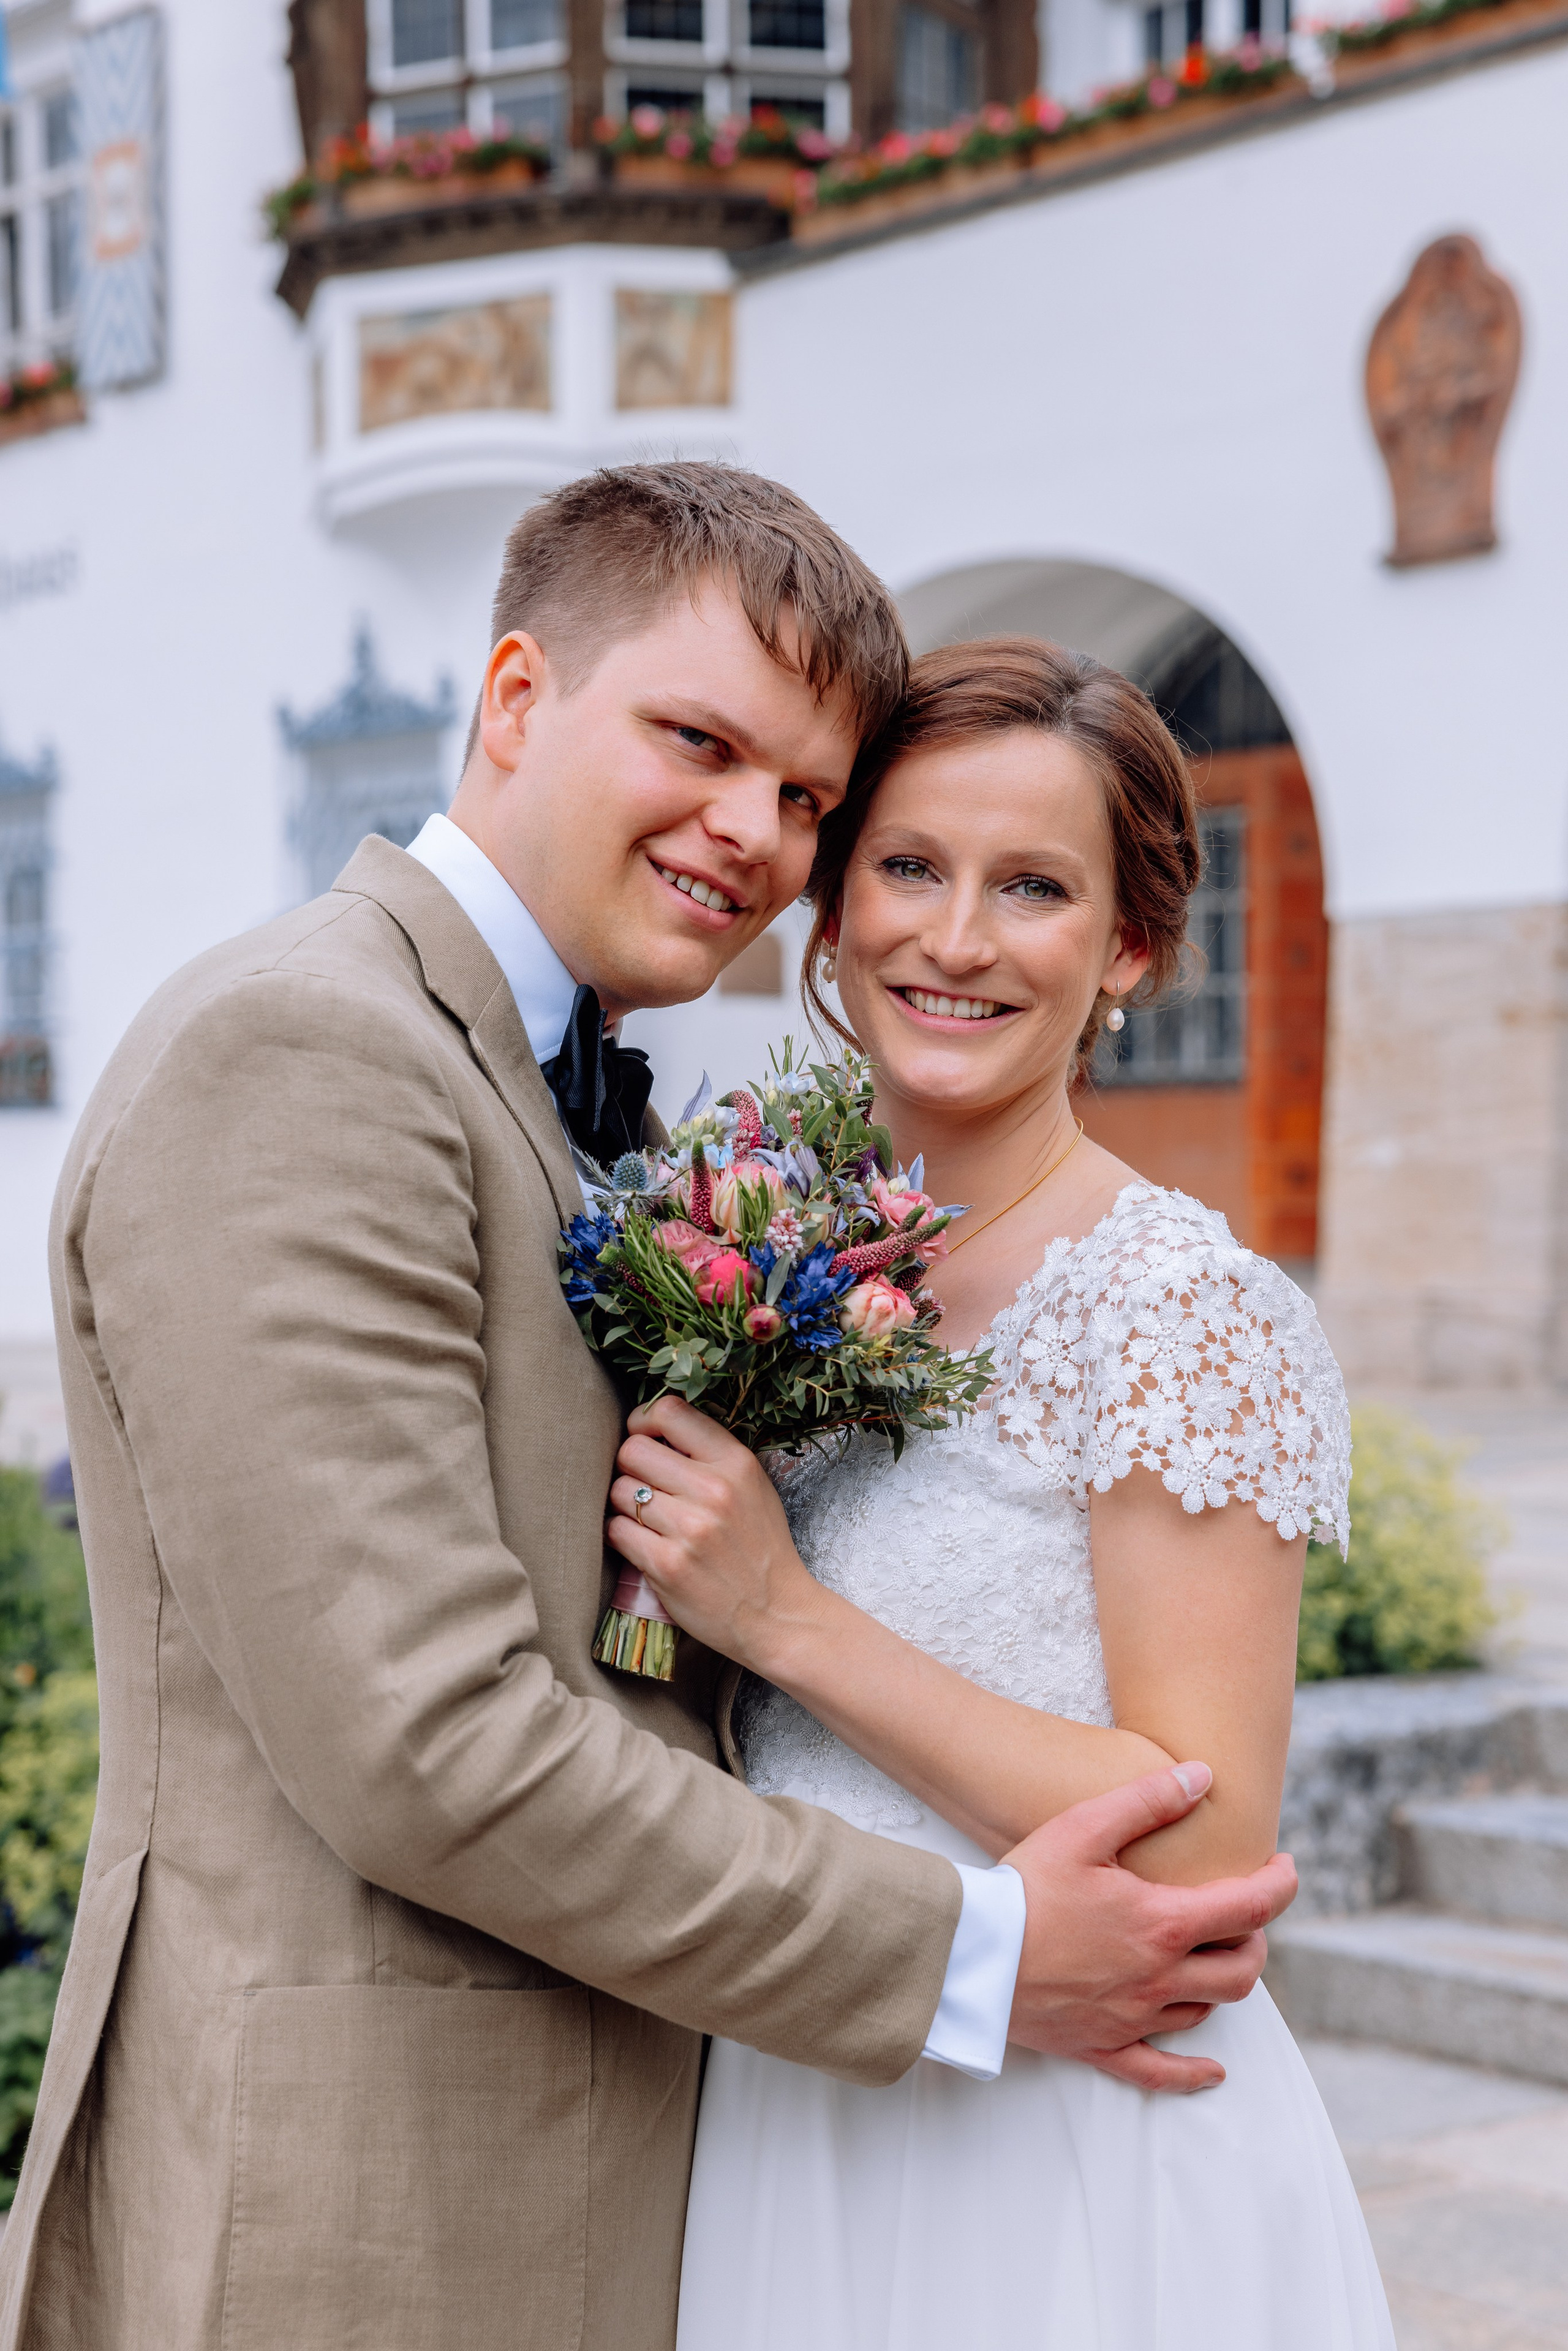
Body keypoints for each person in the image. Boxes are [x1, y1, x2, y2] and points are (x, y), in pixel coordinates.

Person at [3, 480, 1297, 2351]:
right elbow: (429, 1743)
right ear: (518, 698)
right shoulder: (305, 1052)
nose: (747, 833)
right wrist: (975, 1953)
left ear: (1127, 953)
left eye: (796, 797)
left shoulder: (608, 1115)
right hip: (374, 2201)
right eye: (699, 744)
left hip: (717, 2159)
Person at [607, 637, 1395, 2350]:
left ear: (1125, 949)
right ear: (831, 911)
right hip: (798, 2087)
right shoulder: (770, 1246)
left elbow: (1204, 1841)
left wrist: (786, 1619)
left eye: (1033, 887)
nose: (955, 939)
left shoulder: (1179, 1308)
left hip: (1060, 2153)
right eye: (909, 866)